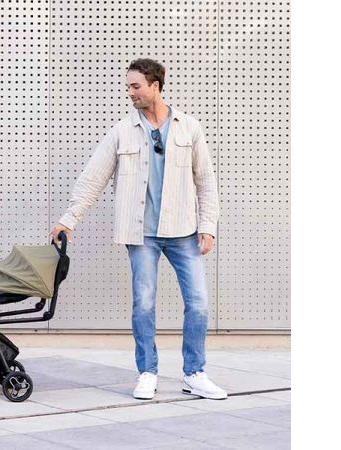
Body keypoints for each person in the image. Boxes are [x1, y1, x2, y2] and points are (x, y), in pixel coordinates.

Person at [50, 58, 227, 400]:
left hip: (184, 231)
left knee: (199, 303)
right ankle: (147, 372)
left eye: (136, 86)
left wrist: (208, 226)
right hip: (141, 234)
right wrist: (69, 219)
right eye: (128, 87)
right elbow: (92, 179)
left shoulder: (189, 127)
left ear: (155, 86)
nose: (130, 93)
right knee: (143, 304)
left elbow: (206, 181)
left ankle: (195, 373)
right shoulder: (122, 131)